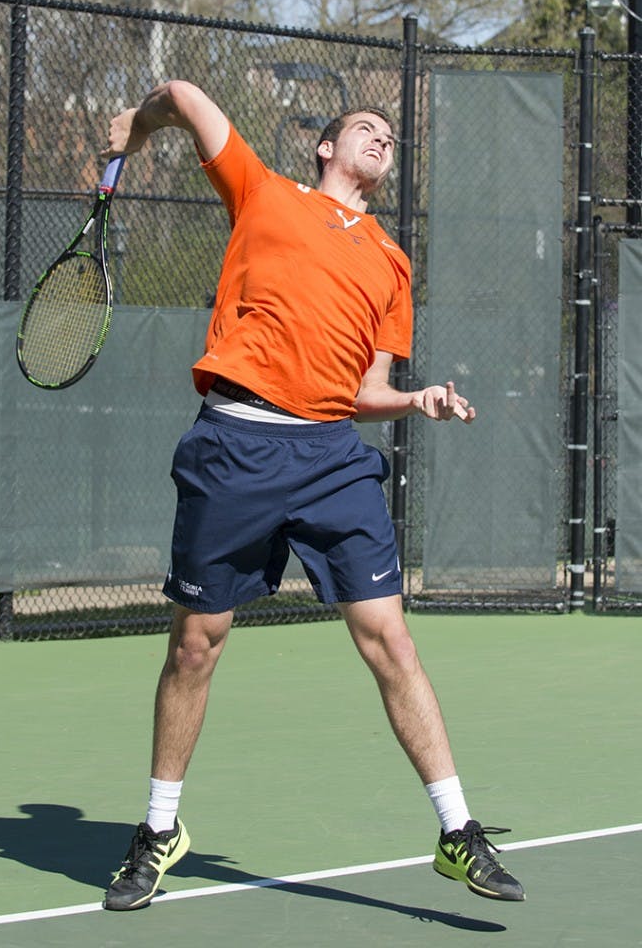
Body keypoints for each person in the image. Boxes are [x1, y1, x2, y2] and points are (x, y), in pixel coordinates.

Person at [101, 80, 525, 911]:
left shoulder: (392, 262)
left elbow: (367, 389)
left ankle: (457, 830)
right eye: (366, 127)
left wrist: (416, 400)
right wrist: (137, 126)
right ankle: (157, 830)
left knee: (391, 640)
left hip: (332, 455)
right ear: (325, 147)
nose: (383, 138)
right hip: (235, 445)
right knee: (196, 646)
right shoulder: (263, 191)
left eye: (391, 137)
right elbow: (184, 94)